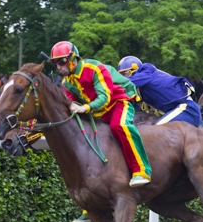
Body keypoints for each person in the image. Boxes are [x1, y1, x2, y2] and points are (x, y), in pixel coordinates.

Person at [72, 55, 200, 222]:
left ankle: (146, 171)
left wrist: (94, 80)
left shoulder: (144, 73)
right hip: (172, 111)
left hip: (185, 109)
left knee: (157, 135)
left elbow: (118, 85)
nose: (124, 77)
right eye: (122, 74)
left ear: (134, 70)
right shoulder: (138, 84)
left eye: (126, 73)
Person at [51, 41, 152, 191]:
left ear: (72, 58)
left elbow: (104, 97)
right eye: (55, 63)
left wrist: (85, 107)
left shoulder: (94, 68)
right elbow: (72, 104)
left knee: (119, 126)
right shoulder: (66, 82)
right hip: (98, 113)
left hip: (118, 103)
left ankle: (142, 171)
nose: (58, 66)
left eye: (61, 61)